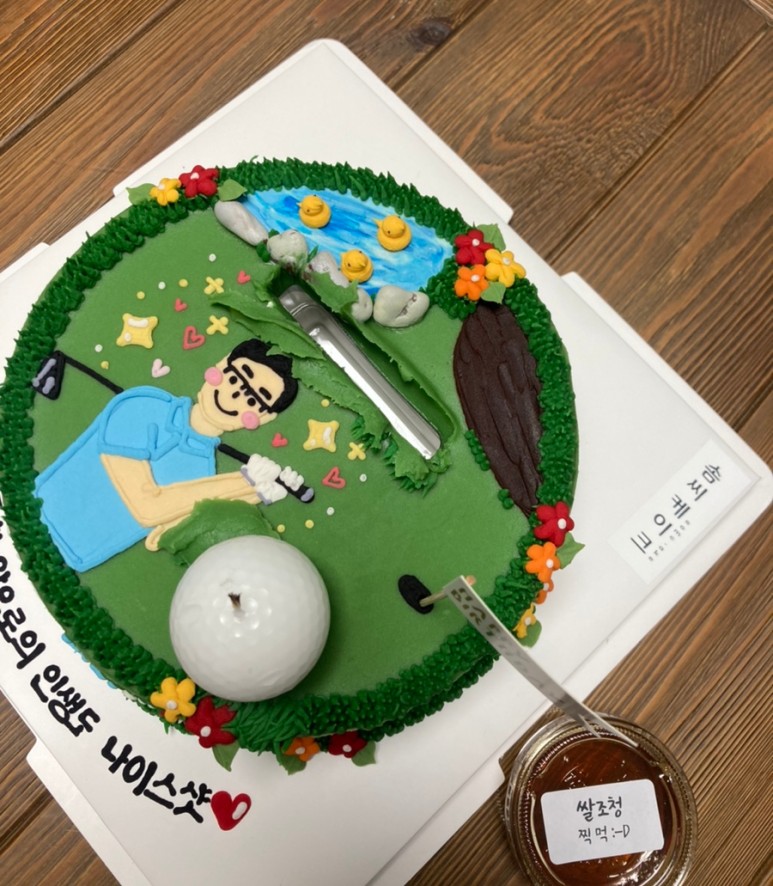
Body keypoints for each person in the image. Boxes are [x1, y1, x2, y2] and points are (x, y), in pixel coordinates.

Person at [35, 339, 302, 571]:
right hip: (35, 517)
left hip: (71, 561)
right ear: (220, 367)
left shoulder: (204, 471)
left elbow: (161, 535)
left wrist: (258, 493)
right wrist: (243, 481)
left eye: (253, 399)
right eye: (235, 379)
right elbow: (146, 507)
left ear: (262, 417)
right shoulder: (143, 407)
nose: (234, 395)